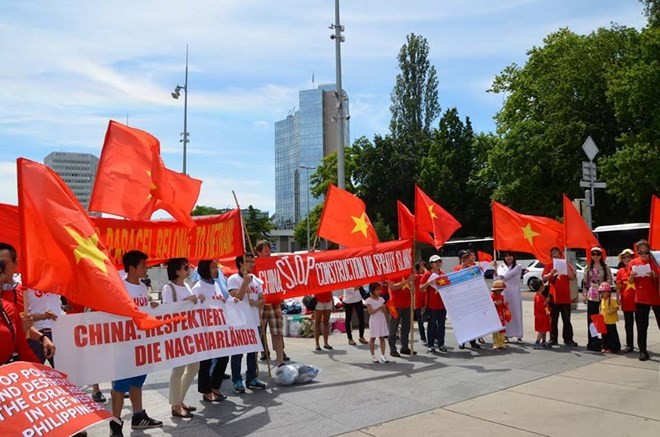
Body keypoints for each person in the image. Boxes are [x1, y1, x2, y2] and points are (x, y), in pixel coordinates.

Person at [109, 251, 162, 436]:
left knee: (137, 381)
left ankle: (138, 416)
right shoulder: (119, 287)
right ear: (132, 268)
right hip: (124, 344)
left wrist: (150, 307)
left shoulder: (141, 287)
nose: (146, 268)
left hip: (141, 343)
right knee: (120, 385)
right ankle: (115, 423)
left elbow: (141, 310)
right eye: (143, 266)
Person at [0, 243, 56, 361]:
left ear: (16, 264)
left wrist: (42, 338)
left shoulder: (20, 292)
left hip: (15, 359)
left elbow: (20, 325)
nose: (3, 269)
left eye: (4, 264)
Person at [162, 257, 200, 418]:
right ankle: (175, 405)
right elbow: (167, 309)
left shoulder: (186, 286)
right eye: (185, 267)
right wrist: (188, 300)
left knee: (193, 367)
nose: (188, 269)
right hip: (177, 333)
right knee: (178, 370)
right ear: (177, 270)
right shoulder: (168, 288)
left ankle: (179, 399)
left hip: (190, 332)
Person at [228, 253, 267, 392]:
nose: (251, 264)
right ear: (240, 264)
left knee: (253, 352)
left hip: (253, 321)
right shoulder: (233, 279)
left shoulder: (256, 280)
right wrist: (244, 283)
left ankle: (251, 378)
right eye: (248, 261)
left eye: (252, 261)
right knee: (238, 352)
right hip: (239, 322)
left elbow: (263, 300)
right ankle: (237, 380)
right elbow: (236, 297)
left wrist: (256, 302)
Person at [193, 260, 230, 403]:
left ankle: (215, 386)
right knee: (206, 361)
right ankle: (206, 391)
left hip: (219, 329)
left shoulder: (215, 285)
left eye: (216, 267)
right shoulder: (198, 287)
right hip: (206, 330)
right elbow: (194, 308)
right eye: (213, 267)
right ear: (204, 269)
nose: (216, 270)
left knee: (223, 358)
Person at [255, 240, 289, 365]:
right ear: (258, 253)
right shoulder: (254, 265)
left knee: (277, 333)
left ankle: (280, 360)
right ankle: (256, 362)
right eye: (265, 251)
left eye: (269, 251)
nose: (268, 254)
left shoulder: (276, 263)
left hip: (275, 303)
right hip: (261, 304)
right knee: (258, 334)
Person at [0, 260, 40, 365]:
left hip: (8, 375)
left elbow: (23, 350)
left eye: (0, 274)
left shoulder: (9, 308)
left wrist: (44, 374)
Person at [627, 239, 660, 361]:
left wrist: (655, 275)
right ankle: (643, 350)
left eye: (646, 252)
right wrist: (632, 276)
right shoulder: (633, 262)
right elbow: (630, 282)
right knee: (642, 326)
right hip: (641, 298)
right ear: (637, 252)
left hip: (657, 297)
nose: (644, 255)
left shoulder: (656, 261)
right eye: (641, 253)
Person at [542, 247, 578, 347]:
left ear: (560, 253)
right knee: (553, 319)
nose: (555, 254)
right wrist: (551, 273)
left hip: (565, 296)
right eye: (552, 252)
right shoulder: (549, 266)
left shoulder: (566, 264)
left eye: (556, 252)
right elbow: (544, 279)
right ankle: (553, 339)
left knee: (566, 319)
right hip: (553, 297)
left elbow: (572, 277)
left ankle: (568, 339)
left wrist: (567, 268)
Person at [582, 246, 612, 352]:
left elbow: (610, 280)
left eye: (598, 254)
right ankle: (593, 342)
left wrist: (604, 284)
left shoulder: (605, 268)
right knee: (592, 320)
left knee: (604, 319)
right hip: (592, 296)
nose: (595, 256)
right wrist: (585, 295)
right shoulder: (587, 268)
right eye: (593, 254)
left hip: (603, 296)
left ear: (601, 255)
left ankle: (605, 343)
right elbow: (585, 283)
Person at [24, 289, 60, 366]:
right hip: (35, 335)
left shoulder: (57, 282)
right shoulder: (24, 285)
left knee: (63, 371)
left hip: (56, 333)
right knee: (34, 372)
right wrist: (42, 316)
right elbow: (22, 317)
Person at [454, 250, 481, 349]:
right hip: (461, 299)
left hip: (471, 297)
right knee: (463, 321)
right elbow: (456, 278)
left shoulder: (472, 268)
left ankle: (473, 341)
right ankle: (462, 341)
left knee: (472, 320)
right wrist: (463, 266)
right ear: (461, 259)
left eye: (467, 257)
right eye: (464, 258)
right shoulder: (457, 268)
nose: (467, 260)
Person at [420, 255, 448, 353]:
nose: (438, 263)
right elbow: (421, 288)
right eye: (436, 262)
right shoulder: (427, 274)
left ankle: (441, 344)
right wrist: (429, 282)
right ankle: (431, 345)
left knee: (441, 325)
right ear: (431, 264)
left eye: (439, 261)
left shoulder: (443, 274)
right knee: (431, 325)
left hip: (442, 305)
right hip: (431, 305)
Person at [496, 252, 523, 343]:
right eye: (506, 256)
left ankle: (519, 335)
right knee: (505, 313)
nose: (508, 258)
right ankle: (506, 335)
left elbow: (507, 276)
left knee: (516, 312)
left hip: (514, 293)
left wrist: (500, 276)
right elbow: (496, 279)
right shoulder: (501, 267)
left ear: (514, 257)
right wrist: (495, 269)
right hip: (504, 293)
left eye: (510, 256)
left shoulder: (518, 266)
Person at [388, 275, 416, 357]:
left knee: (406, 327)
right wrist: (407, 281)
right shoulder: (393, 274)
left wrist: (412, 288)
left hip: (407, 304)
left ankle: (405, 347)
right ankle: (392, 349)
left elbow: (412, 290)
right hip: (394, 305)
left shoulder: (408, 275)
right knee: (393, 327)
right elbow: (393, 287)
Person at [615, 249, 636, 353]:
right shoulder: (620, 271)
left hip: (638, 300)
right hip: (626, 300)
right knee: (628, 324)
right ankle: (629, 345)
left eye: (629, 256)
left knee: (641, 324)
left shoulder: (636, 269)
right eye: (624, 257)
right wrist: (617, 299)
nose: (627, 259)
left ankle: (642, 345)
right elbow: (618, 287)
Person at [365, 282, 389, 363]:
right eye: (377, 290)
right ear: (372, 291)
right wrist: (379, 308)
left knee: (382, 338)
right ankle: (373, 355)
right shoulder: (368, 300)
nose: (379, 291)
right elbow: (370, 312)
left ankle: (383, 355)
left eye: (380, 289)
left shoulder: (382, 299)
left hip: (381, 319)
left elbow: (384, 311)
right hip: (374, 320)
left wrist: (384, 309)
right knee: (373, 338)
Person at [599, 282, 620, 354]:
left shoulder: (612, 300)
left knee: (612, 335)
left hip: (611, 322)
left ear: (608, 293)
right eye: (602, 292)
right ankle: (605, 346)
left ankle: (613, 347)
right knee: (604, 335)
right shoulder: (602, 300)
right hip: (604, 321)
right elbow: (601, 309)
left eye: (605, 292)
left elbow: (617, 307)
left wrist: (612, 311)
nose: (603, 294)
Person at [530, 277, 551, 349]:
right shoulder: (538, 297)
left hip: (544, 315)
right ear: (540, 287)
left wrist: (548, 313)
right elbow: (541, 307)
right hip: (541, 316)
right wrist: (546, 302)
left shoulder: (540, 296)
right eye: (543, 285)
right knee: (542, 330)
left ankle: (544, 341)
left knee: (544, 329)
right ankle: (537, 342)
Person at [490, 280, 510, 350]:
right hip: (495, 315)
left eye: (501, 290)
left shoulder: (501, 296)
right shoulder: (492, 296)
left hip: (501, 314)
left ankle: (502, 343)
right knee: (496, 329)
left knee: (501, 329)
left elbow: (503, 305)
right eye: (500, 290)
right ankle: (496, 343)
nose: (501, 292)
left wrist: (505, 305)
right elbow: (489, 305)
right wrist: (495, 303)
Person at [413, 263, 427, 346]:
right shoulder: (417, 276)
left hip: (425, 300)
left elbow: (429, 276)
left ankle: (434, 336)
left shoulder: (425, 275)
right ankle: (423, 337)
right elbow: (427, 275)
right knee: (420, 321)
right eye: (422, 267)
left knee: (430, 320)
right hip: (418, 301)